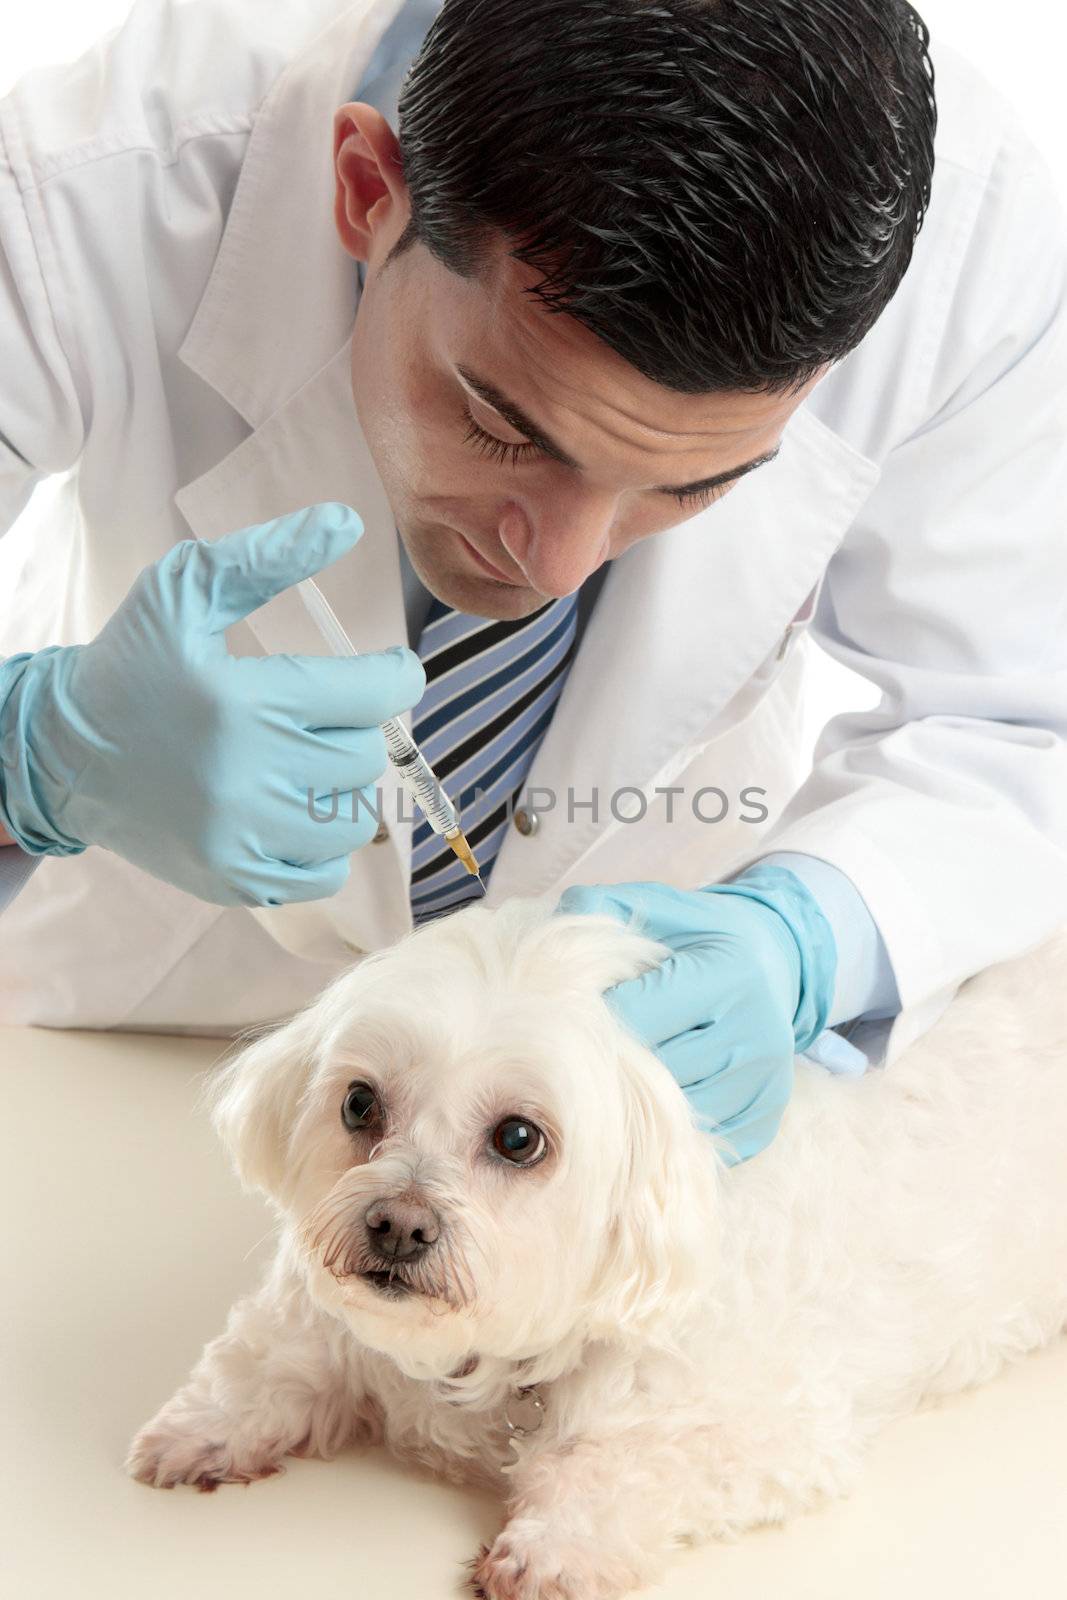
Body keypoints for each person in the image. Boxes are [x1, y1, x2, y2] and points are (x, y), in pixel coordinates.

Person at [1, 0, 1064, 1166]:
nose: (550, 567)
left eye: (687, 484)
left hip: (617, 1079)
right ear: (368, 191)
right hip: (144, 1014)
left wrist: (803, 942)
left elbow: (1014, 719)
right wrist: (39, 754)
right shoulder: (90, 183)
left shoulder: (971, 245)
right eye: (504, 429)